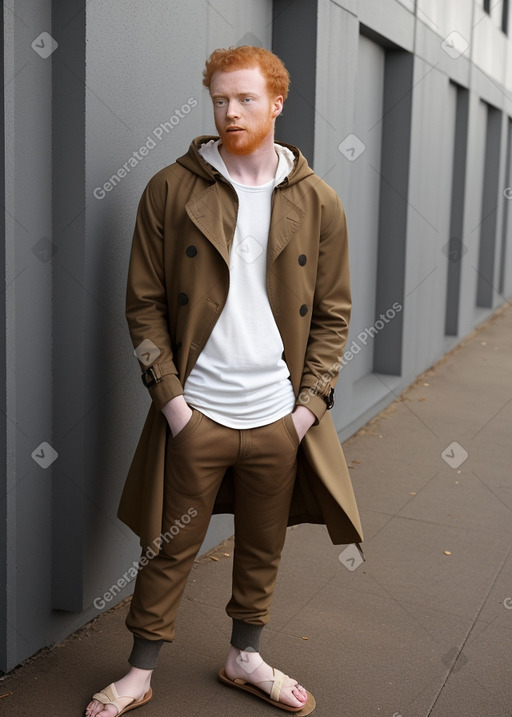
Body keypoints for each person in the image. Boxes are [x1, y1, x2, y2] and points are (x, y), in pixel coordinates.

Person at [86, 45, 363, 717]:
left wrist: (306, 409)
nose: (229, 111)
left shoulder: (317, 200)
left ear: (276, 103)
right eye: (218, 99)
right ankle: (138, 671)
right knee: (168, 545)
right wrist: (175, 403)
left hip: (277, 417)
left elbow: (333, 314)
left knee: (263, 546)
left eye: (244, 98)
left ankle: (245, 657)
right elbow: (143, 304)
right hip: (198, 413)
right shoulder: (171, 187)